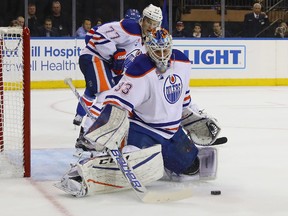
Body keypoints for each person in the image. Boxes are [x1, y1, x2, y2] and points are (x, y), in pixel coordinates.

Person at [55, 28, 222, 197]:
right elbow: (117, 102)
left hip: (172, 132)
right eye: (157, 50)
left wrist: (195, 118)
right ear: (148, 49)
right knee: (133, 160)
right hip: (143, 130)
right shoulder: (139, 68)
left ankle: (162, 164)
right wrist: (107, 130)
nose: (162, 54)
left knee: (192, 169)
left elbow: (184, 99)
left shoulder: (183, 63)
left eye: (165, 49)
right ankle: (83, 174)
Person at [72, 4, 163, 127]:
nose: (151, 27)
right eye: (149, 22)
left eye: (155, 24)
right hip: (94, 57)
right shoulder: (131, 28)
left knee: (106, 95)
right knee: (104, 95)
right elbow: (98, 35)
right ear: (143, 20)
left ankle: (86, 126)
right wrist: (113, 55)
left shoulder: (147, 40)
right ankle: (87, 132)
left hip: (104, 64)